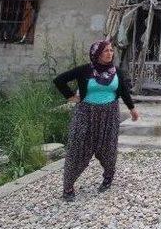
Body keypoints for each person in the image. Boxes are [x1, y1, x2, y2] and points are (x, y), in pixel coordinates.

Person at [53, 40, 139, 202]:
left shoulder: (117, 72)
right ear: (96, 54)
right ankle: (68, 187)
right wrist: (71, 97)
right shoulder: (84, 70)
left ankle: (108, 178)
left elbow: (123, 92)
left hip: (110, 114)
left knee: (108, 148)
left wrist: (132, 108)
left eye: (111, 50)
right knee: (78, 148)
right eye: (105, 51)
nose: (109, 53)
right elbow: (59, 80)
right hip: (85, 113)